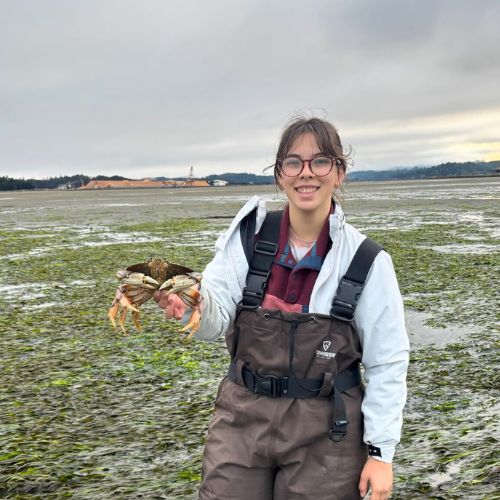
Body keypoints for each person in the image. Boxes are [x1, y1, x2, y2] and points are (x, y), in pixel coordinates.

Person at [154, 117, 409, 500]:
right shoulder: (247, 239)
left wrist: (380, 454)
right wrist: (193, 308)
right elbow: (214, 314)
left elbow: (387, 361)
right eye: (293, 162)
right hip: (241, 420)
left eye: (320, 161)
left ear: (339, 172)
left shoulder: (366, 261)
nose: (306, 173)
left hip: (328, 431)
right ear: (279, 174)